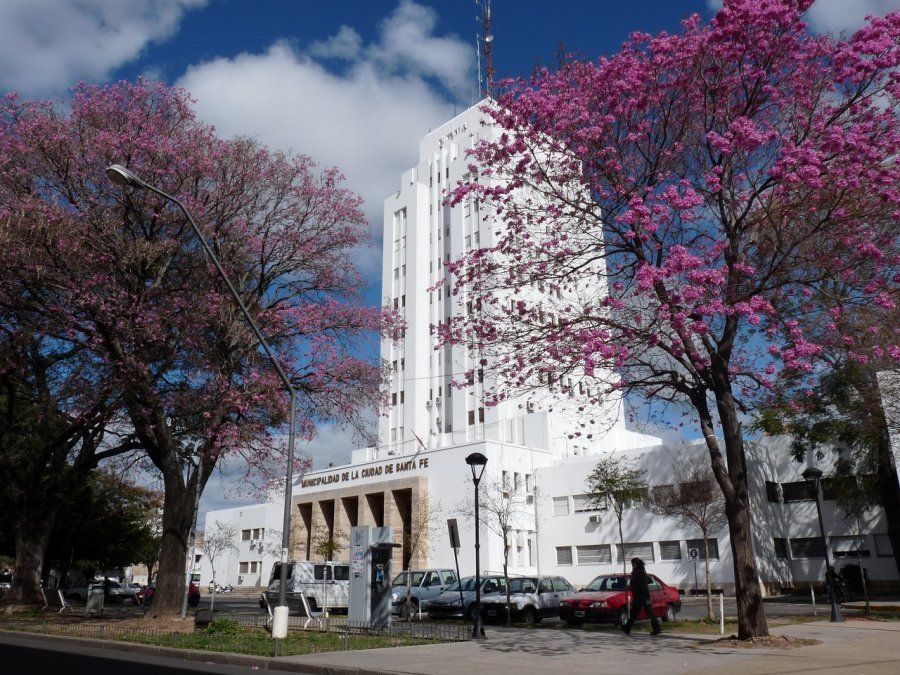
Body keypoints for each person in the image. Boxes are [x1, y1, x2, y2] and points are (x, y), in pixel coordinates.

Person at [621, 557, 661, 635]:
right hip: (640, 596)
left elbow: (643, 585)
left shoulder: (639, 572)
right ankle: (627, 628)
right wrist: (630, 587)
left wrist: (646, 595)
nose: (632, 566)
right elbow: (637, 583)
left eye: (632, 564)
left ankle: (657, 629)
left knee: (646, 613)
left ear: (635, 564)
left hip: (642, 596)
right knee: (635, 613)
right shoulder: (639, 571)